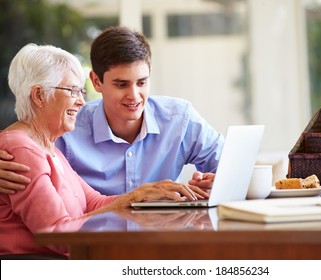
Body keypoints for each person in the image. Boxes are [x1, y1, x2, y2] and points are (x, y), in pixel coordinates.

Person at [0, 43, 207, 258]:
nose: (81, 102)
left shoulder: (48, 147)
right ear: (39, 96)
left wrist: (143, 194)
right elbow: (57, 235)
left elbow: (94, 202)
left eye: (81, 91)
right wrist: (134, 198)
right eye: (72, 91)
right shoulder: (21, 149)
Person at [0, 26, 224, 196]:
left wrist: (220, 180)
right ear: (96, 82)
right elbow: (22, 139)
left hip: (162, 242)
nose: (134, 95)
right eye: (121, 84)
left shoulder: (180, 118)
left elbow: (232, 166)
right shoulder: (68, 126)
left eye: (142, 82)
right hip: (94, 250)